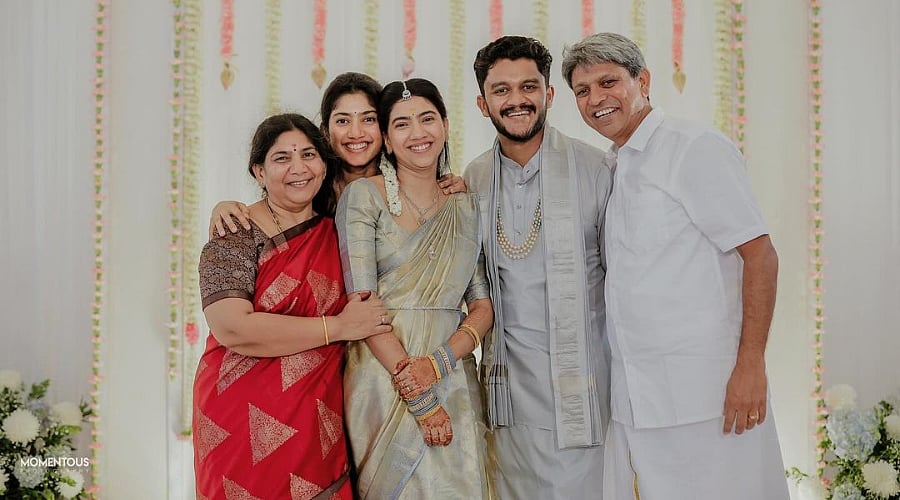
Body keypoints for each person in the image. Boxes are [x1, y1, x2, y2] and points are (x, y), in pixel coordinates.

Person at [561, 32, 789, 499]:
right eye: (582, 91)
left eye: (609, 82)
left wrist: (751, 365)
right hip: (639, 402)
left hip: (708, 396)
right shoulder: (614, 166)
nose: (596, 99)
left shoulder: (693, 147)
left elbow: (760, 255)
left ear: (642, 81)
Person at [193, 113, 392, 499]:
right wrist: (339, 327)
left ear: (323, 164)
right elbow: (233, 328)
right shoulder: (233, 233)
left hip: (316, 423)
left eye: (308, 154)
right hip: (237, 423)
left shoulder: (342, 230)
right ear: (259, 171)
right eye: (282, 158)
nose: (298, 168)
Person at [463, 36, 611, 499]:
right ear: (483, 104)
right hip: (508, 393)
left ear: (548, 95)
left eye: (528, 87)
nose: (517, 100)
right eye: (501, 90)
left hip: (584, 387)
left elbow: (625, 280)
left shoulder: (596, 169)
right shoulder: (473, 179)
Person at [336, 78, 494, 499]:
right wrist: (420, 397)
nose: (418, 133)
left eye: (427, 119)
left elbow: (482, 306)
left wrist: (439, 364)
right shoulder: (363, 197)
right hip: (383, 374)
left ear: (444, 125)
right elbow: (363, 305)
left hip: (453, 375)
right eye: (402, 124)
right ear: (386, 139)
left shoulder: (467, 204)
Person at [209, 72, 466, 237]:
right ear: (325, 130)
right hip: (324, 320)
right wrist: (223, 208)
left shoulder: (409, 188)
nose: (356, 133)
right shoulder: (309, 188)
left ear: (386, 129)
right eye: (343, 121)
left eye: (368, 119)